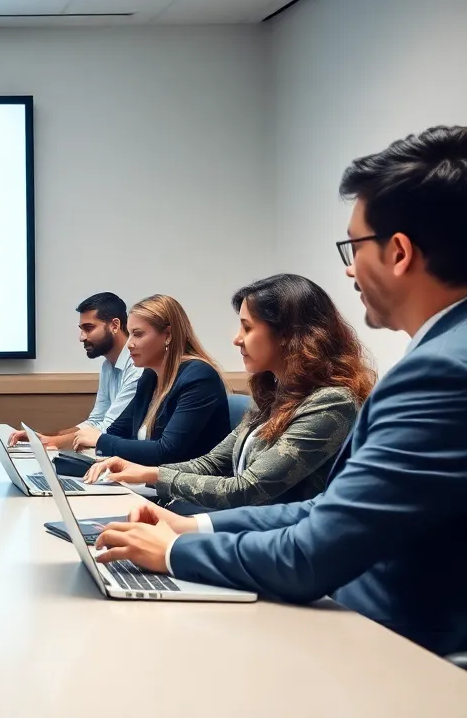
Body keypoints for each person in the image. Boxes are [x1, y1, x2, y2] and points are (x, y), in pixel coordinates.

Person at [94, 126, 467, 656]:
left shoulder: (440, 374)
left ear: (400, 252)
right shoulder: (441, 355)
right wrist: (193, 525)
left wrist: (175, 552)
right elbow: (326, 510)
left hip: (393, 647)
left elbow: (313, 555)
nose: (348, 266)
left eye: (353, 246)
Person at [84, 274, 374, 510]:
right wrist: (142, 471)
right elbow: (213, 462)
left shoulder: (331, 403)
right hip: (247, 524)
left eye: (247, 328)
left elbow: (249, 488)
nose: (236, 339)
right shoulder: (274, 395)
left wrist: (155, 476)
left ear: (288, 335)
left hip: (279, 544)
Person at [73, 294, 231, 466]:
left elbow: (167, 451)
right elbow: (117, 430)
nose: (129, 344)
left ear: (168, 335)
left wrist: (101, 441)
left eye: (138, 335)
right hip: (148, 483)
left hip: (186, 489)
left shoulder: (199, 377)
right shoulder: (149, 376)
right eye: (130, 334)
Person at [8, 292, 143, 449]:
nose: (82, 337)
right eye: (82, 329)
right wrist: (47, 436)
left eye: (89, 328)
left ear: (115, 325)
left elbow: (109, 429)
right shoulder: (107, 366)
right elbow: (95, 421)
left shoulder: (137, 367)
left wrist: (52, 442)